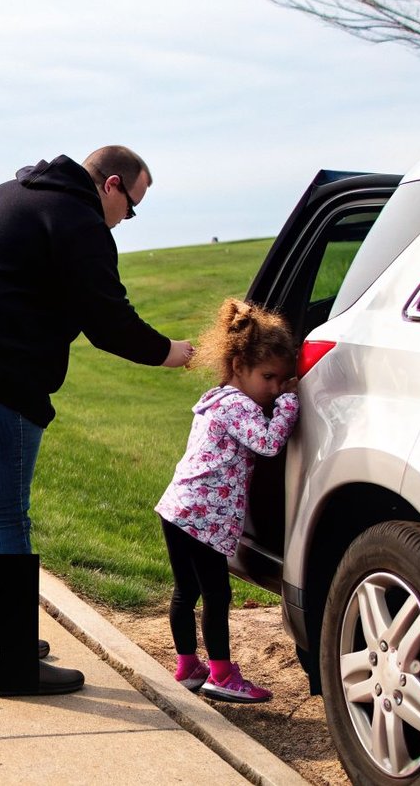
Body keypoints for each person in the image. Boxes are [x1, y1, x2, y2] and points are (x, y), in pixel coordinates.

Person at [0, 146, 194, 696]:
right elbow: (109, 321)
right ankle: (6, 660)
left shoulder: (14, 191)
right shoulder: (79, 221)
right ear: (111, 184)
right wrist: (172, 352)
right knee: (1, 514)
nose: (126, 220)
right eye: (131, 207)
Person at [154, 298, 298, 704]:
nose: (273, 387)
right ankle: (222, 674)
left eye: (281, 380)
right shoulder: (238, 404)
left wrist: (276, 395)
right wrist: (290, 400)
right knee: (217, 595)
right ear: (238, 367)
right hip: (203, 516)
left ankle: (187, 666)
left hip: (179, 509)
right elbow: (269, 444)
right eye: (268, 377)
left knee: (186, 592)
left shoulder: (215, 398)